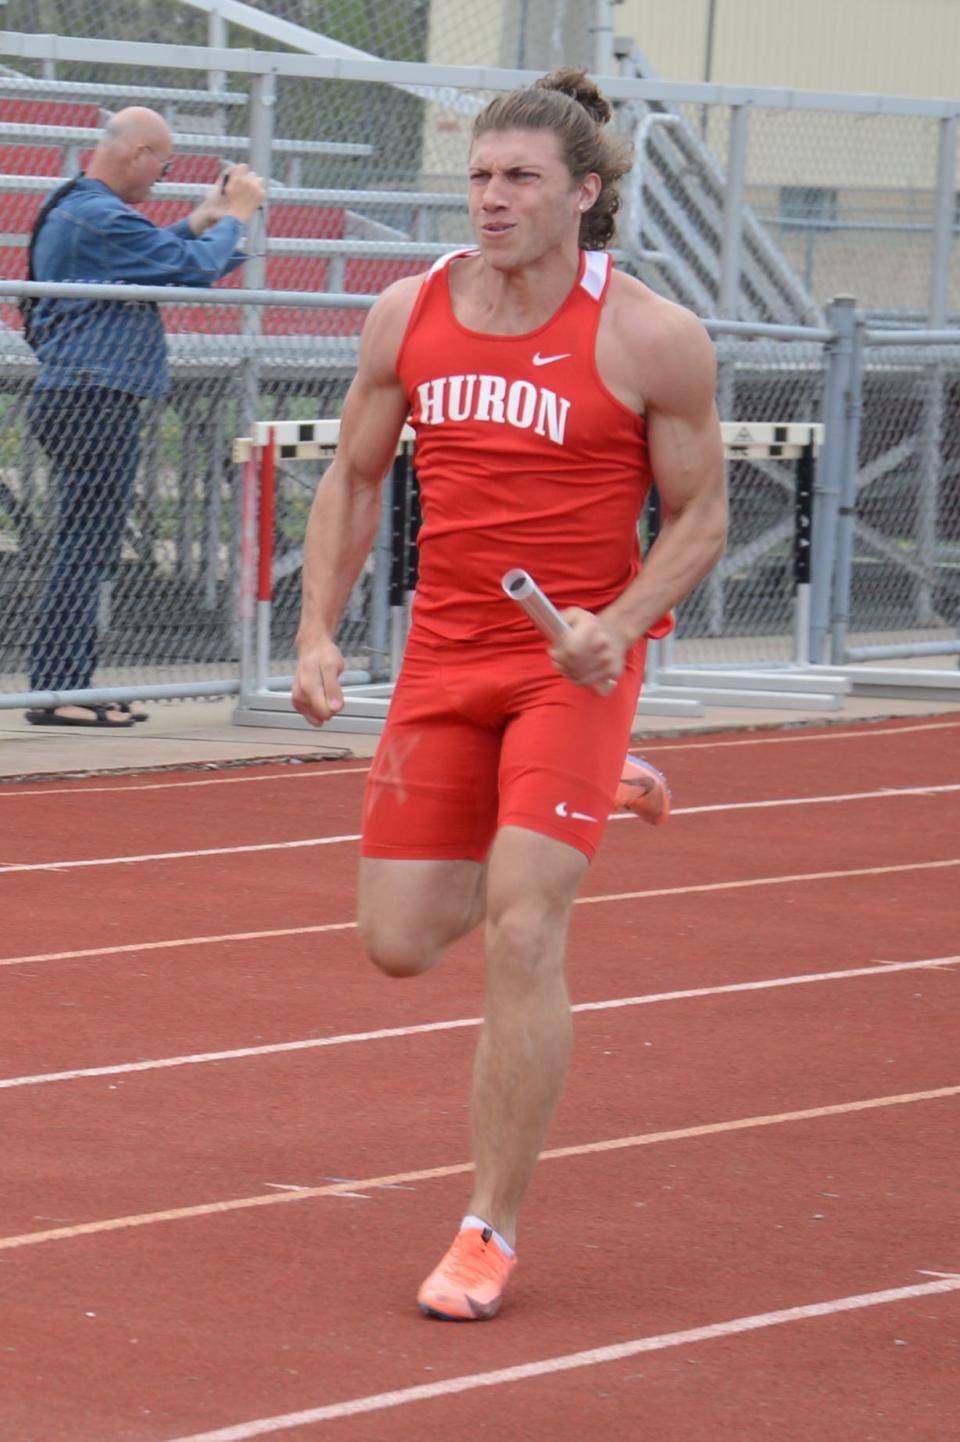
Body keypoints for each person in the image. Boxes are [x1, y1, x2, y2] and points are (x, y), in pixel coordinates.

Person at [292, 68, 727, 1320]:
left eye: (522, 177)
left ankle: (487, 1226)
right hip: (444, 659)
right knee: (398, 942)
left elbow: (701, 513)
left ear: (584, 195)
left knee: (529, 926)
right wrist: (319, 628)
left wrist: (623, 626)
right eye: (481, 175)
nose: (492, 197)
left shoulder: (650, 333)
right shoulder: (407, 312)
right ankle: (594, 796)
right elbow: (356, 477)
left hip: (572, 664)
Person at [23, 107, 265, 728]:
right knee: (85, 547)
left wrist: (206, 223)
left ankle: (66, 682)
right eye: (164, 163)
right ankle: (57, 688)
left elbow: (166, 254)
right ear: (137, 154)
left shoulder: (84, 209)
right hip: (91, 398)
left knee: (89, 546)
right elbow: (188, 268)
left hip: (88, 395)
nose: (165, 175)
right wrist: (233, 217)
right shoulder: (95, 214)